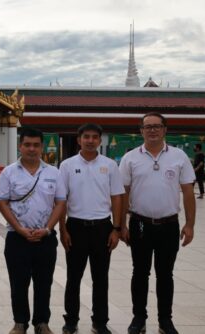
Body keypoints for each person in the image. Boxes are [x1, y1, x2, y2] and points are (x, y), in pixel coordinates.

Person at [119, 112, 196, 334]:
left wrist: (190, 224)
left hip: (169, 224)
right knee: (140, 273)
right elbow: (123, 193)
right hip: (140, 224)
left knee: (165, 274)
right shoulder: (130, 158)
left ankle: (165, 320)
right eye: (147, 127)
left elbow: (188, 192)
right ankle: (138, 319)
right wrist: (122, 225)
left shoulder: (179, 156)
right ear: (141, 131)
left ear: (164, 130)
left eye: (156, 126)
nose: (152, 130)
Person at [0, 127, 67, 334]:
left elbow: (60, 203)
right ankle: (20, 322)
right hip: (17, 238)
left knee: (44, 283)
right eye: (27, 144)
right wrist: (19, 229)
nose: (32, 149)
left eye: (36, 145)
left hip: (45, 238)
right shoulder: (9, 172)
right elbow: (2, 202)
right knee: (18, 283)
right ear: (20, 146)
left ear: (42, 147)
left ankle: (41, 322)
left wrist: (47, 229)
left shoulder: (53, 172)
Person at [58, 124, 125, 334]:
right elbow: (61, 199)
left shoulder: (110, 165)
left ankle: (100, 322)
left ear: (100, 140)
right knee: (73, 278)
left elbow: (117, 197)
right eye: (86, 137)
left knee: (101, 278)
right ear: (79, 140)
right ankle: (71, 320)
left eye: (95, 137)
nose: (90, 140)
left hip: (102, 228)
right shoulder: (67, 165)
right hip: (75, 226)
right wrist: (63, 229)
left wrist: (116, 228)